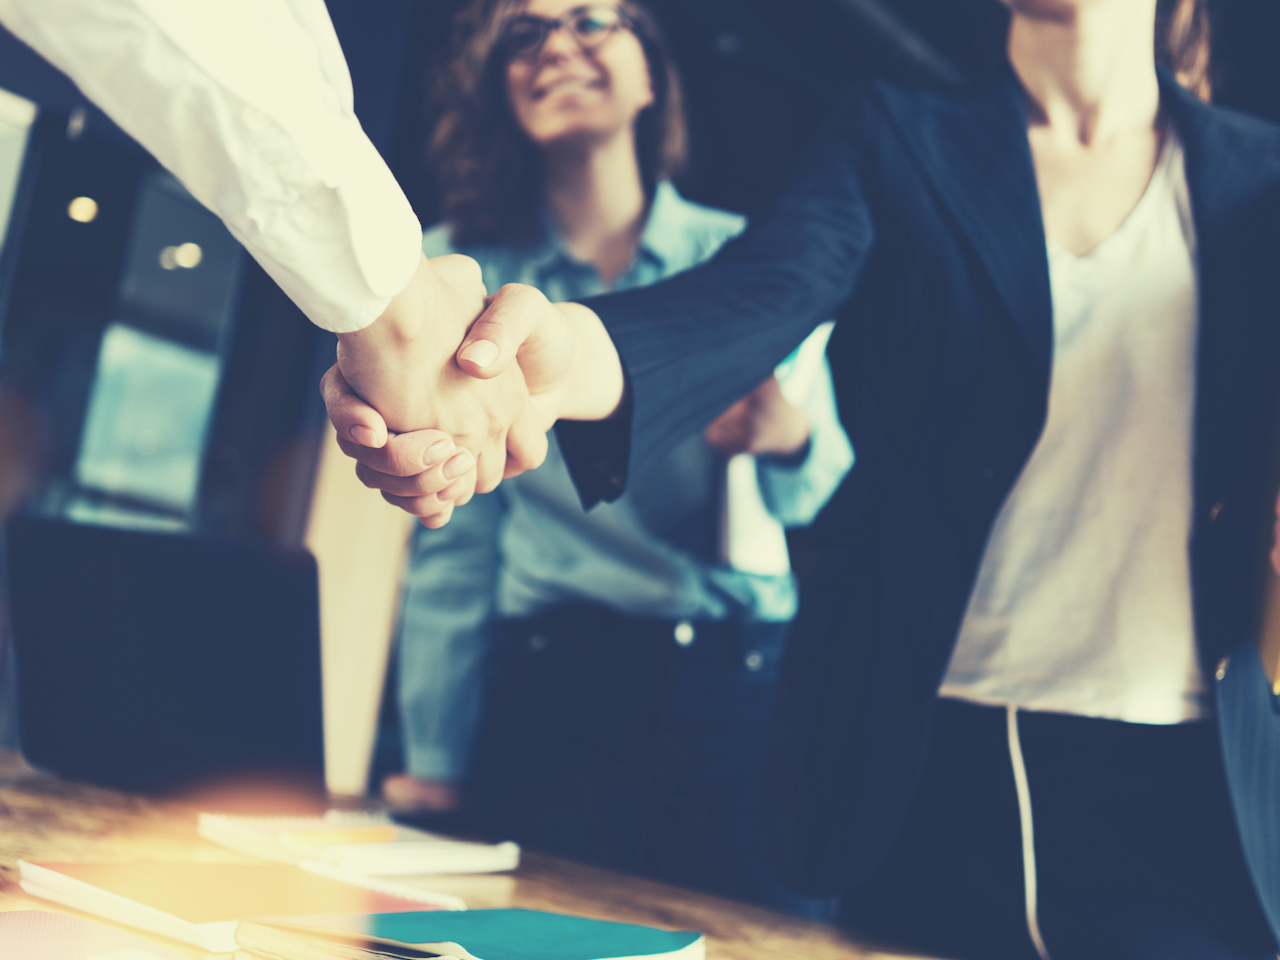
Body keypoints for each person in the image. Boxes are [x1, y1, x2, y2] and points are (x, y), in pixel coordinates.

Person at [329, 0, 1280, 956]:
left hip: (1191, 773)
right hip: (926, 764)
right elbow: (748, 298)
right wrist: (561, 352)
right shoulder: (898, 138)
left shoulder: (1260, 183)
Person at [383, 0, 852, 907]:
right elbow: (452, 541)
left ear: (650, 76)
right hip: (560, 688)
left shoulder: (745, 259)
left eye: (593, 20)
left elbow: (817, 503)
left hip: (742, 686)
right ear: (501, 87)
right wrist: (433, 755)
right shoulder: (460, 278)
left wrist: (788, 437)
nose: (556, 43)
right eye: (523, 34)